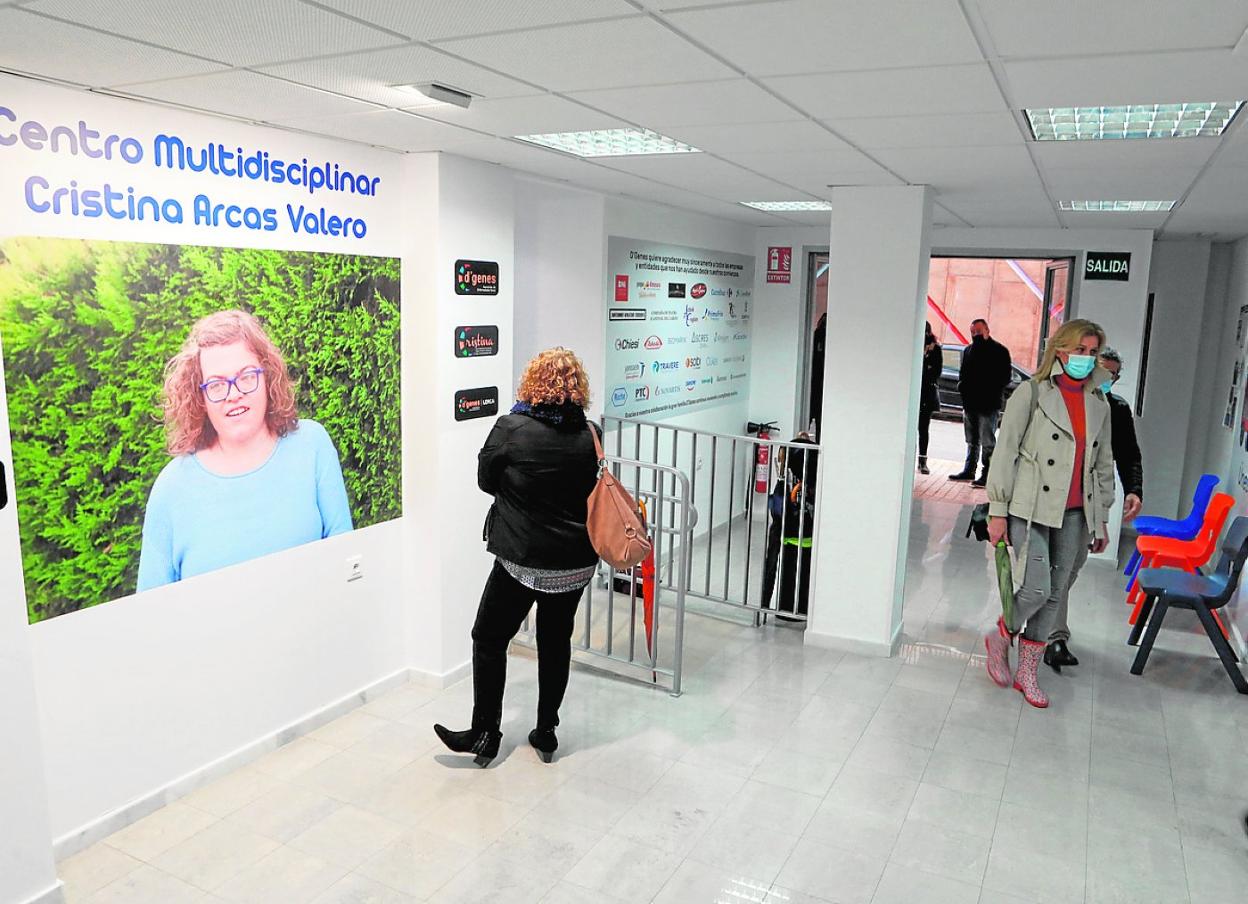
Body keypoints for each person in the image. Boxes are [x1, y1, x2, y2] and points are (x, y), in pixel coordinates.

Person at [434, 348, 600, 767]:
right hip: (575, 563)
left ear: (533, 383)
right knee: (555, 641)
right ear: (577, 385)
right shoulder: (591, 433)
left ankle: (485, 733)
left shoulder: (511, 428)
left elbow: (485, 480)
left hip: (521, 559)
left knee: (489, 639)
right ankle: (546, 731)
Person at [137, 310, 352, 591]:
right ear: (199, 396)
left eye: (246, 376)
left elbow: (347, 566)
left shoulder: (312, 445)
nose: (233, 393)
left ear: (267, 377)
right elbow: (152, 614)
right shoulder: (171, 489)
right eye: (216, 384)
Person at [982, 319, 1115, 708]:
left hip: (1076, 511)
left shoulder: (1099, 402)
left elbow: (1103, 463)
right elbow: (1004, 453)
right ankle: (1002, 633)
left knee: (1055, 595)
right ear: (1060, 350)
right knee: (1036, 586)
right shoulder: (1033, 392)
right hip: (1031, 506)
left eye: (1092, 353)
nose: (1085, 360)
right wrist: (998, 510)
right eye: (1079, 351)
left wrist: (1101, 516)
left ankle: (1027, 672)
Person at [1044, 346, 1144, 671]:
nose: (1105, 379)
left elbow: (1128, 454)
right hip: (1057, 497)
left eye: (1112, 375)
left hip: (1092, 500)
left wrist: (1134, 490)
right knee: (1058, 569)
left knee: (1072, 567)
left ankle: (1040, 617)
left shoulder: (1116, 408)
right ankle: (1053, 636)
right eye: (1102, 370)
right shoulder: (1061, 399)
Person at [949, 319, 1012, 488]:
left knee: (987, 440)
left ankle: (987, 473)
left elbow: (1006, 377)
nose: (975, 335)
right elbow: (963, 374)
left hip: (988, 404)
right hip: (970, 403)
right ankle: (969, 469)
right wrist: (963, 387)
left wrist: (988, 386)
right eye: (973, 332)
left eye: (978, 331)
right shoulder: (968, 350)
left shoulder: (999, 351)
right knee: (972, 439)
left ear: (987, 330)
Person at [918, 322, 943, 475]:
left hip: (927, 393)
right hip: (916, 393)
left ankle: (922, 460)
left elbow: (936, 372)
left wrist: (926, 368)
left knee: (923, 428)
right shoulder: (912, 345)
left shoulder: (935, 349)